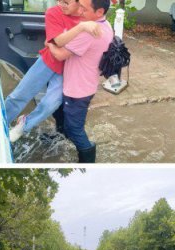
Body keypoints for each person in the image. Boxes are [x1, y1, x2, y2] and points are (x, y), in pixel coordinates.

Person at [7, 0, 101, 143]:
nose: (61, 4)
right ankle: (1, 122)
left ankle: (24, 124)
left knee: (51, 104)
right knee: (20, 95)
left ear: (79, 3)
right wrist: (81, 28)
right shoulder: (54, 12)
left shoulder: (87, 17)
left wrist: (52, 43)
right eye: (59, 0)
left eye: (66, 2)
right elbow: (58, 41)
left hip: (68, 69)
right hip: (48, 61)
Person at [46, 0, 112, 163]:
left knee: (74, 129)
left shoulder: (88, 33)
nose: (79, 11)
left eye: (84, 8)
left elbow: (60, 54)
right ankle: (59, 137)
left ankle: (88, 157)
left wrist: (49, 44)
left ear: (99, 12)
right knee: (59, 113)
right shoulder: (106, 25)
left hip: (77, 90)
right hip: (86, 83)